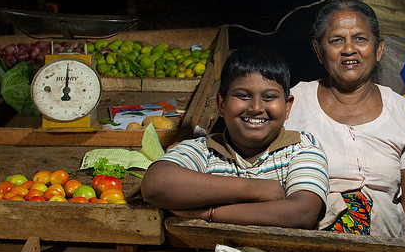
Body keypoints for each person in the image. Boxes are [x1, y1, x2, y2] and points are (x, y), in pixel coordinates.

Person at [141, 46, 329, 228]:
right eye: (243, 96)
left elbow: (302, 213)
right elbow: (155, 185)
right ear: (221, 104)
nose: (256, 108)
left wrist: (209, 214)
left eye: (269, 97)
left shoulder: (301, 147)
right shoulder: (204, 150)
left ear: (287, 107)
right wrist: (255, 189)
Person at [284, 0, 405, 240]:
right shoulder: (293, 104)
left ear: (379, 49)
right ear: (319, 51)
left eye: (360, 38)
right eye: (337, 40)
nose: (349, 49)